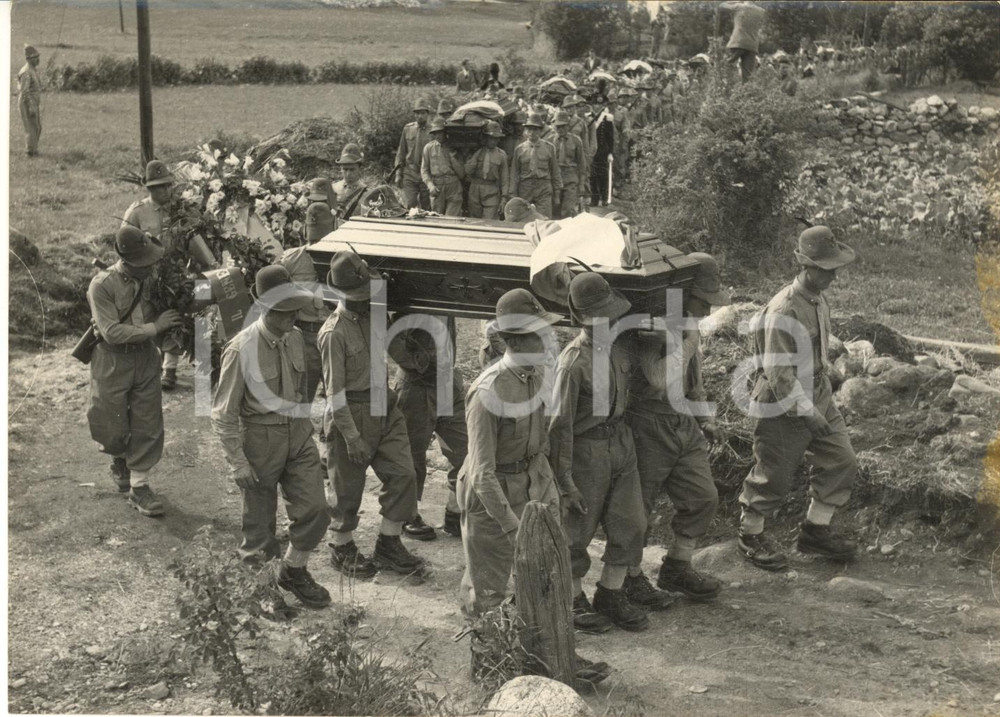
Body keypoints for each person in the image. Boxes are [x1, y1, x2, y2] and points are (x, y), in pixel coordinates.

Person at [738, 226, 859, 570]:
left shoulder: (817, 299)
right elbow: (779, 376)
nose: (832, 275)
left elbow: (817, 347)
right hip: (782, 403)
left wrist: (827, 374)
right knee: (773, 475)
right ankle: (750, 535)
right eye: (825, 268)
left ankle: (815, 531)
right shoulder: (783, 311)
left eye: (834, 268)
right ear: (805, 266)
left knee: (841, 459)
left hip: (817, 392)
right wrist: (807, 413)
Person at [211, 265, 332, 609]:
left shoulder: (294, 338)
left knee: (317, 509)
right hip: (260, 441)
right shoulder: (240, 349)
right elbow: (224, 413)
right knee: (260, 528)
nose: (292, 317)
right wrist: (238, 461)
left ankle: (293, 569)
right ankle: (261, 590)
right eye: (283, 311)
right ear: (263, 307)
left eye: (294, 308)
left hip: (297, 435)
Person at [549, 273, 658, 633]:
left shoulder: (621, 347)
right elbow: (559, 426)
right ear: (583, 318)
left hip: (621, 443)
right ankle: (572, 598)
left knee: (632, 522)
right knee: (576, 532)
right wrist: (564, 482)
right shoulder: (573, 362)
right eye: (599, 314)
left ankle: (610, 593)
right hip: (586, 450)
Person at [626, 253, 730, 603]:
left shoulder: (687, 324)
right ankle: (629, 577)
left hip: (683, 422)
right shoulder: (654, 324)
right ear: (684, 293)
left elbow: (693, 377)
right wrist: (684, 339)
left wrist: (705, 417)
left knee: (703, 497)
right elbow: (657, 379)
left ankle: (677, 566)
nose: (707, 309)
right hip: (649, 424)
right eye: (703, 300)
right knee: (639, 507)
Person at [319, 251, 424, 579]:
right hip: (351, 411)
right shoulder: (333, 333)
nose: (368, 300)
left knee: (404, 474)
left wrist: (416, 359)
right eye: (361, 297)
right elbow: (334, 393)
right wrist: (351, 436)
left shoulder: (375, 314)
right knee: (347, 487)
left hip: (384, 404)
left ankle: (389, 542)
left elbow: (393, 347)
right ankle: (341, 544)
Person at [458, 288, 562, 615]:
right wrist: (512, 526)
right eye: (538, 335)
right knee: (489, 590)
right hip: (491, 496)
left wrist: (553, 490)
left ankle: (542, 658)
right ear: (515, 341)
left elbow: (541, 440)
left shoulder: (539, 373)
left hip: (530, 481)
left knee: (544, 574)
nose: (547, 341)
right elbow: (481, 474)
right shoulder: (488, 392)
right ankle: (489, 661)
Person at [87, 226, 182, 517]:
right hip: (112, 358)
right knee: (110, 420)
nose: (149, 267)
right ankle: (118, 456)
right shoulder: (102, 285)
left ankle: (140, 487)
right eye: (143, 263)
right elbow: (112, 332)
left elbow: (162, 308)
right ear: (125, 260)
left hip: (144, 357)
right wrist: (156, 327)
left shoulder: (153, 278)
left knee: (147, 419)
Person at [388, 315, 468, 539]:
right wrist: (415, 363)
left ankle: (455, 511)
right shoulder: (415, 284)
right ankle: (408, 515)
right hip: (417, 385)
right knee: (412, 455)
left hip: (448, 383)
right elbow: (385, 327)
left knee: (464, 451)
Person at [278, 203, 334, 457]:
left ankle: (329, 451)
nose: (317, 244)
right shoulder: (292, 260)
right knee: (303, 396)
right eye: (313, 238)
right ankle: (301, 450)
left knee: (337, 397)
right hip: (304, 336)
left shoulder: (343, 257)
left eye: (321, 238)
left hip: (334, 336)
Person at [122, 160, 183, 391]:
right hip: (146, 274)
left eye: (168, 186)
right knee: (148, 317)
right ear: (150, 189)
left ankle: (171, 368)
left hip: (175, 272)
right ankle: (152, 363)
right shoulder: (137, 212)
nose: (166, 191)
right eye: (159, 187)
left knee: (174, 315)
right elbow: (124, 244)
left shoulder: (180, 209)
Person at [508, 112, 561, 220]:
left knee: (544, 219)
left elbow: (555, 171)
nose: (532, 132)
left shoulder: (549, 148)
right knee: (523, 218)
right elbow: (514, 173)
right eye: (529, 129)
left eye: (536, 129)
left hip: (543, 186)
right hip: (525, 187)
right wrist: (513, 193)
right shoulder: (520, 149)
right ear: (526, 131)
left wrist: (557, 194)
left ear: (541, 131)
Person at [421, 117, 465, 217]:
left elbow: (461, 174)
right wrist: (430, 185)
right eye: (435, 133)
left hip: (453, 185)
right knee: (437, 217)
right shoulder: (428, 148)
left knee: (452, 219)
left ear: (445, 132)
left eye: (440, 132)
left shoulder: (455, 147)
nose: (437, 136)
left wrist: (452, 157)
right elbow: (424, 170)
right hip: (437, 186)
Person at [464, 121, 509, 220]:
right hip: (475, 189)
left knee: (490, 221)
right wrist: (476, 156)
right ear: (485, 138)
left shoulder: (501, 155)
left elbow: (505, 178)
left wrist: (504, 199)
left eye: (496, 139)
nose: (494, 141)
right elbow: (468, 171)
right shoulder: (477, 151)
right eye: (491, 138)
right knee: (474, 221)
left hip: (492, 190)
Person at [395, 98, 433, 211]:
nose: (419, 116)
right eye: (417, 113)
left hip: (426, 173)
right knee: (411, 204)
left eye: (422, 113)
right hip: (410, 173)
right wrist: (398, 174)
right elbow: (401, 152)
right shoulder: (408, 129)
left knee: (427, 206)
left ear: (427, 114)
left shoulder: (433, 131)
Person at [551, 111, 586, 218]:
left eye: (563, 126)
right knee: (554, 211)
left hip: (571, 179)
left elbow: (582, 164)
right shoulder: (549, 141)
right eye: (558, 126)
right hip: (554, 180)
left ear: (568, 126)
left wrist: (582, 184)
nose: (560, 129)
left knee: (568, 211)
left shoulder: (576, 141)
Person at [722, 1, 766, 82]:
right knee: (748, 76)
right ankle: (745, 92)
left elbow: (722, 5)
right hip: (752, 45)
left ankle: (726, 88)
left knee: (725, 65)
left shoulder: (739, 6)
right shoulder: (761, 11)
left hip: (737, 42)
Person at [589, 96, 616, 207]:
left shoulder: (607, 118)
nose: (597, 106)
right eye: (595, 104)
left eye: (599, 105)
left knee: (603, 175)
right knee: (592, 175)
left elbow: (610, 137)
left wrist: (610, 152)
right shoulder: (589, 117)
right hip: (592, 150)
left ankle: (604, 198)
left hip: (603, 151)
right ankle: (594, 199)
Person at [17, 45, 42, 157]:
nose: (38, 59)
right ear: (28, 59)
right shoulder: (26, 71)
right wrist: (31, 105)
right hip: (27, 102)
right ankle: (30, 152)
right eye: (35, 57)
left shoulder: (32, 70)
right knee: (31, 127)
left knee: (36, 126)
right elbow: (25, 91)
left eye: (37, 56)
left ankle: (34, 150)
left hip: (33, 102)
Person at [332, 144, 367, 217]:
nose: (348, 173)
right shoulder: (333, 188)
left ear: (359, 169)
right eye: (345, 169)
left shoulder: (366, 193)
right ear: (340, 169)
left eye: (352, 169)